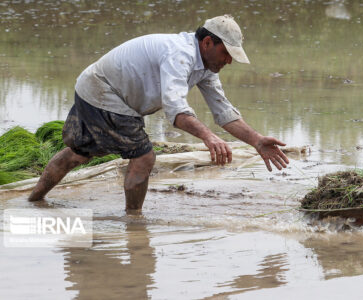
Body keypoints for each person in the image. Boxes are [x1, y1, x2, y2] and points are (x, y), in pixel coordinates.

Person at [28, 15, 289, 211]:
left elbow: (224, 112)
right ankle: (134, 223)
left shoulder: (206, 67)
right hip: (103, 92)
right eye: (226, 53)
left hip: (104, 93)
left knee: (78, 154)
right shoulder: (179, 54)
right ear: (208, 42)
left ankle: (33, 200)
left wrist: (256, 141)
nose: (229, 61)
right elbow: (176, 112)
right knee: (144, 157)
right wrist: (209, 138)